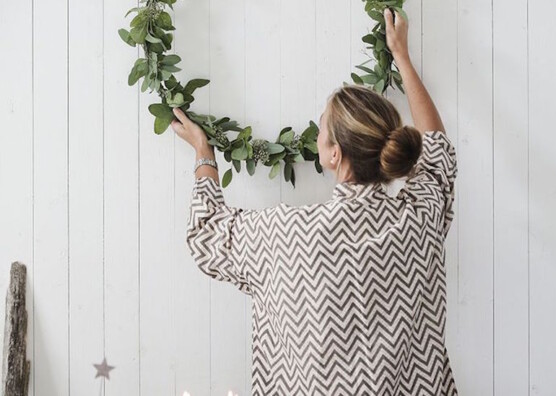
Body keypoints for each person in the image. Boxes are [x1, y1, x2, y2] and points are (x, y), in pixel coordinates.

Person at [172, 7, 458, 396]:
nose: (317, 132)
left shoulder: (286, 234)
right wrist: (402, 58)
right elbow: (438, 147)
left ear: (334, 154)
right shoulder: (419, 217)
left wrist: (203, 152)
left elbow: (206, 232)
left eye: (321, 127)